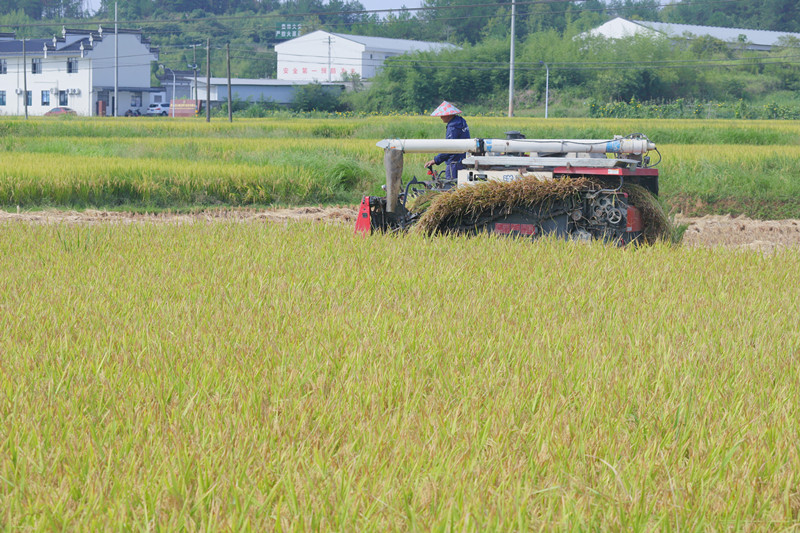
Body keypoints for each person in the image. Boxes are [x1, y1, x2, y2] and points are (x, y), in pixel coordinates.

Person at [424, 101, 470, 182]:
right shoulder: (461, 122)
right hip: (463, 159)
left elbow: (449, 147)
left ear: (449, 115)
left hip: (454, 163)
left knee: (451, 187)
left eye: (442, 115)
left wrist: (435, 160)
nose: (441, 117)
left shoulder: (453, 127)